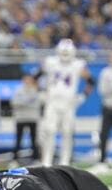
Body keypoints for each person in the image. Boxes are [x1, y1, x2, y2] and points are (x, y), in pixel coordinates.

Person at [40, 39, 93, 167]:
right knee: (49, 131)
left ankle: (65, 161)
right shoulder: (50, 62)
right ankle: (46, 161)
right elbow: (36, 76)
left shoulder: (78, 64)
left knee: (67, 132)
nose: (64, 54)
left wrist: (83, 96)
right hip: (52, 101)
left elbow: (91, 81)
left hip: (69, 102)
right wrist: (41, 91)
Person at [11, 71, 42, 164]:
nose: (28, 81)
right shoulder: (18, 90)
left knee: (34, 139)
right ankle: (15, 159)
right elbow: (14, 103)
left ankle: (36, 158)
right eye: (26, 79)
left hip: (32, 118)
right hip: (20, 118)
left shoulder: (36, 90)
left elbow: (38, 103)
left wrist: (24, 102)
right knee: (18, 139)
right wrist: (27, 102)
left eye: (29, 79)